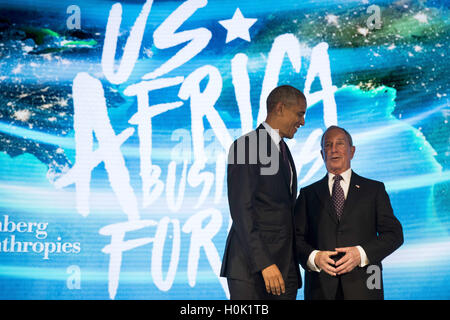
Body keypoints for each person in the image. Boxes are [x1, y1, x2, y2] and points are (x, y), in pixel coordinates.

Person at [295, 125, 404, 300]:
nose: (333, 149)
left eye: (340, 143)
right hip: (321, 289)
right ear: (322, 154)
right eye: (328, 145)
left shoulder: (374, 190)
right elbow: (295, 239)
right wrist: (314, 258)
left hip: (366, 285)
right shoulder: (308, 194)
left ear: (352, 151)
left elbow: (394, 234)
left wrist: (361, 254)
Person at [220, 85, 307, 300]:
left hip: (284, 270)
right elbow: (242, 210)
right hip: (252, 270)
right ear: (280, 108)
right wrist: (265, 263)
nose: (302, 122)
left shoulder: (284, 150)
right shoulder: (246, 145)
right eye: (299, 113)